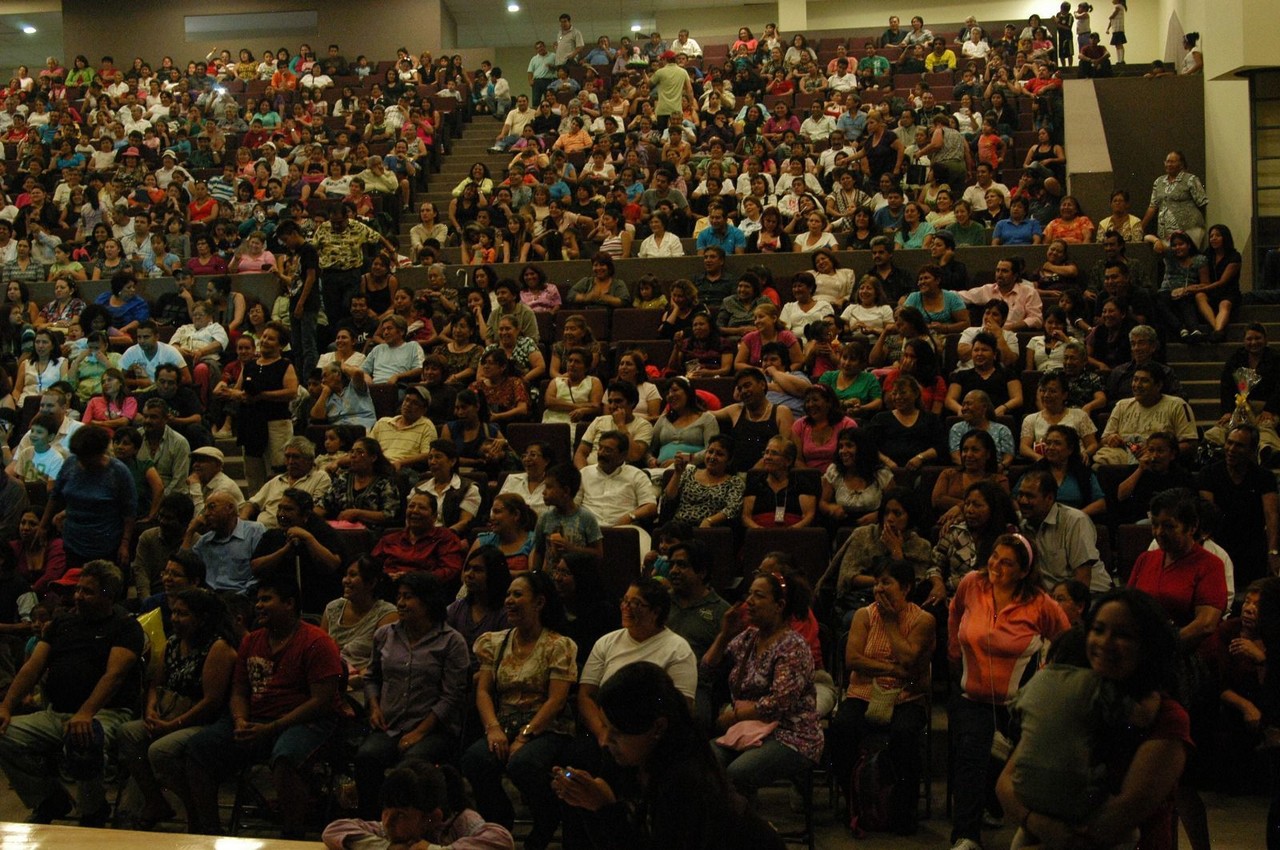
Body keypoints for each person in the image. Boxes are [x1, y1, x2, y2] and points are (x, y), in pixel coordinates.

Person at [997, 588, 1192, 850]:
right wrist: (1039, 824)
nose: (1105, 642)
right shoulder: (1073, 697)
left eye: (1123, 634)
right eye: (1098, 629)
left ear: (1148, 644)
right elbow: (1006, 783)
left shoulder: (1167, 718)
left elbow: (1119, 816)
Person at [552, 661, 784, 850]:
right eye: (606, 727)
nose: (606, 740)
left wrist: (603, 807)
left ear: (658, 728)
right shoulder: (630, 758)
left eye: (618, 732)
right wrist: (592, 801)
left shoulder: (686, 781)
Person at [184, 571, 343, 839]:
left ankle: (292, 836)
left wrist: (273, 727)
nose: (258, 606)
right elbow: (239, 690)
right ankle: (209, 832)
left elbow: (322, 701)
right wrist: (240, 721)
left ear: (289, 604)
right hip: (256, 720)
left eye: (266, 599)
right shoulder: (251, 640)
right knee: (199, 748)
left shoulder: (317, 642)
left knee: (285, 757)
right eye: (257, 600)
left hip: (306, 722)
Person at [947, 533, 1070, 850]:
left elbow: (1067, 642)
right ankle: (966, 836)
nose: (996, 566)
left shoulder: (1040, 603)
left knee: (1004, 767)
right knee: (971, 759)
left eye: (1007, 563)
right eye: (994, 557)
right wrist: (953, 649)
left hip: (1017, 705)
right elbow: (955, 610)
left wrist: (1048, 678)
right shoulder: (972, 584)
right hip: (972, 697)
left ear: (1023, 571)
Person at [0, 561, 144, 826]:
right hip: (56, 714)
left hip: (106, 713)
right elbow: (33, 667)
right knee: (4, 734)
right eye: (78, 589)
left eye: (87, 592)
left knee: (85, 739)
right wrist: (6, 706)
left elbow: (114, 676)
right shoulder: (61, 624)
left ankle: (92, 811)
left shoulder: (125, 626)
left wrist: (86, 713)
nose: (78, 596)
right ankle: (50, 799)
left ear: (108, 595)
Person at [1126, 489, 1226, 850]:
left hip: (1187, 676)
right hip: (1145, 671)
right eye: (1155, 524)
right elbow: (1129, 607)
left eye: (1169, 526)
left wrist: (1162, 647)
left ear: (1192, 527)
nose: (1159, 533)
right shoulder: (1146, 560)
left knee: (1181, 780)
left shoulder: (1207, 564)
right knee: (1142, 775)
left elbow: (1206, 623)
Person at [461, 571, 578, 850]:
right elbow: (484, 692)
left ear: (539, 603)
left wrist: (525, 736)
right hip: (504, 724)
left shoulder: (558, 645)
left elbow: (556, 701)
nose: (509, 601)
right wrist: (493, 728)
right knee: (475, 759)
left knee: (522, 763)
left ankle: (546, 817)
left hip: (547, 726)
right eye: (508, 595)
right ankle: (499, 821)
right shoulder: (495, 642)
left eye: (517, 595)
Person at [115, 588, 237, 831]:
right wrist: (150, 710)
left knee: (161, 750)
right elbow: (156, 685)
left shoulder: (219, 648)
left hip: (202, 722)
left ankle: (197, 811)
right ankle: (156, 801)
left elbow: (211, 701)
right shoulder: (173, 643)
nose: (175, 619)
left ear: (201, 618)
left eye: (183, 614)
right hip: (168, 715)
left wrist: (172, 725)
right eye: (174, 613)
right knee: (128, 733)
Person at [828, 559, 935, 834]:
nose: (878, 589)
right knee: (841, 728)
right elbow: (853, 659)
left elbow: (910, 658)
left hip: (906, 694)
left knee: (905, 733)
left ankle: (900, 811)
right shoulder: (864, 615)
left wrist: (889, 623)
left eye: (886, 583)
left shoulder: (923, 620)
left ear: (907, 588)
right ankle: (855, 803)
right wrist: (891, 669)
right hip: (864, 691)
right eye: (876, 582)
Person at [357, 572, 469, 818]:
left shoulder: (451, 641)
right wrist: (374, 707)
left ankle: (413, 827)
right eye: (398, 596)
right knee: (366, 757)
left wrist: (419, 732)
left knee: (410, 766)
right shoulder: (384, 634)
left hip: (434, 729)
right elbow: (371, 677)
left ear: (427, 601)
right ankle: (372, 823)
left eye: (408, 597)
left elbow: (451, 697)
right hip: (390, 724)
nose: (400, 603)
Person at [704, 568, 822, 795]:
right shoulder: (749, 637)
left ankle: (744, 828)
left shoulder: (792, 646)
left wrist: (735, 715)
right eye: (749, 594)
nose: (749, 601)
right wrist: (724, 635)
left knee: (738, 773)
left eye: (759, 596)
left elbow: (780, 703)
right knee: (706, 762)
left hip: (791, 735)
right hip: (750, 729)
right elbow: (708, 669)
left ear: (779, 606)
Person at [35, 425, 135, 569]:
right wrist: (43, 526)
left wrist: (125, 544)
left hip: (106, 545)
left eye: (86, 458)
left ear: (100, 453)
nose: (81, 462)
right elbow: (55, 495)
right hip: (73, 542)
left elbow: (129, 512)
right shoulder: (71, 464)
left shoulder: (118, 472)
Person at [1197, 424, 1280, 591]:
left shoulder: (1264, 477)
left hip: (1252, 542)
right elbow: (1208, 514)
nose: (1231, 449)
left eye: (1239, 445)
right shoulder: (1209, 474)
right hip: (1220, 540)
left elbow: (1271, 514)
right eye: (1229, 443)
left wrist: (1273, 552)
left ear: (1251, 450)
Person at [1016, 468, 1113, 593]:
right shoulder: (1020, 523)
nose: (1022, 501)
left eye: (1030, 496)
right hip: (1049, 598)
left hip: (1089, 595)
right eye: (1020, 494)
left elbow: (1082, 579)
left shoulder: (1075, 521)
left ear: (1049, 498)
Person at [1094, 365, 1198, 466]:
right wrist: (1111, 439)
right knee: (1100, 463)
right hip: (1123, 456)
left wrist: (1156, 451)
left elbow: (1190, 444)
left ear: (1158, 385)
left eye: (1144, 381)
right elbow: (1103, 441)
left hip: (1157, 461)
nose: (1137, 385)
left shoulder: (1177, 405)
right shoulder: (1122, 405)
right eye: (1135, 380)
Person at [372, 492, 467, 587]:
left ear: (434, 516)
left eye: (422, 508)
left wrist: (414, 578)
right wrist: (386, 577)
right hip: (387, 587)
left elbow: (450, 570)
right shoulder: (390, 539)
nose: (415, 511)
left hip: (424, 591)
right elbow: (370, 566)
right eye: (411, 506)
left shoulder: (445, 538)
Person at [241, 436, 333, 529]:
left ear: (309, 460)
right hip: (262, 531)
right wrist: (243, 520)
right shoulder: (276, 480)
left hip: (296, 531)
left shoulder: (320, 478)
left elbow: (317, 511)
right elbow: (252, 503)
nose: (290, 461)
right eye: (287, 456)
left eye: (296, 457)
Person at [529, 464, 604, 572]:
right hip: (551, 579)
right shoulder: (545, 517)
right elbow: (538, 551)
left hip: (578, 579)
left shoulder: (586, 518)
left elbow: (598, 554)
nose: (543, 492)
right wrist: (536, 575)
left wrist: (572, 549)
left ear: (566, 491)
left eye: (549, 487)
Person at [579, 431, 658, 529]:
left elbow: (651, 506)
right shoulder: (585, 473)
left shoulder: (637, 475)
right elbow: (574, 504)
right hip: (589, 529)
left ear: (623, 455)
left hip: (623, 529)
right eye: (600, 448)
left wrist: (630, 516)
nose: (601, 453)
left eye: (608, 450)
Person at [741, 436, 817, 528]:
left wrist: (790, 531)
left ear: (788, 461)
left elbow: (809, 516)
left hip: (794, 536)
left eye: (774, 453)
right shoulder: (755, 483)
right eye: (766, 452)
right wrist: (760, 531)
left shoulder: (801, 483)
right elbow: (746, 516)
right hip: (760, 536)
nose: (767, 457)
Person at [1141, 150, 1207, 247]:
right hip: (1165, 234)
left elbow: (1202, 204)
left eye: (1172, 162)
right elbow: (1152, 206)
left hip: (1189, 233)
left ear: (1181, 164)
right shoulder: (1159, 182)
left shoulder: (1191, 179)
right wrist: (1141, 227)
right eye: (1167, 161)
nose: (1169, 164)